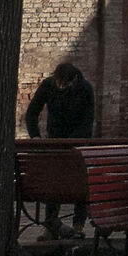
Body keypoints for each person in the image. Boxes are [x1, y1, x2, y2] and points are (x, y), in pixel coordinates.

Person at [23, 62, 96, 237]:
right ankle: (50, 226)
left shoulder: (84, 89)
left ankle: (78, 226)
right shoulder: (48, 86)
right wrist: (36, 137)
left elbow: (87, 122)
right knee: (55, 183)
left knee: (79, 184)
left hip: (77, 144)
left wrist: (70, 142)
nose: (61, 87)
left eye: (65, 84)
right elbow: (32, 113)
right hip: (55, 142)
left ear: (73, 80)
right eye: (59, 83)